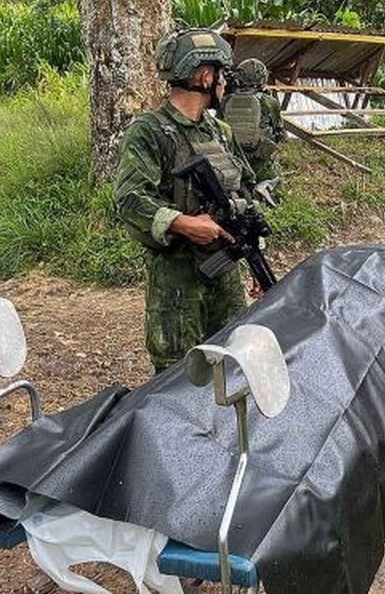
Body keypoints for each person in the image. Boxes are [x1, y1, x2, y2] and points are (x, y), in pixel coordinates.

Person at [115, 28, 259, 373]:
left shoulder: (219, 132)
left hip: (226, 276)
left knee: (234, 367)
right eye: (222, 73)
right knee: (178, 382)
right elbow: (129, 198)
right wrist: (185, 224)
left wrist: (254, 256)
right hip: (178, 285)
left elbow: (246, 189)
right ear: (205, 75)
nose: (225, 83)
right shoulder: (150, 132)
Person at [220, 57, 285, 186]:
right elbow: (279, 130)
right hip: (260, 163)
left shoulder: (226, 100)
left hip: (233, 161)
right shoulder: (268, 102)